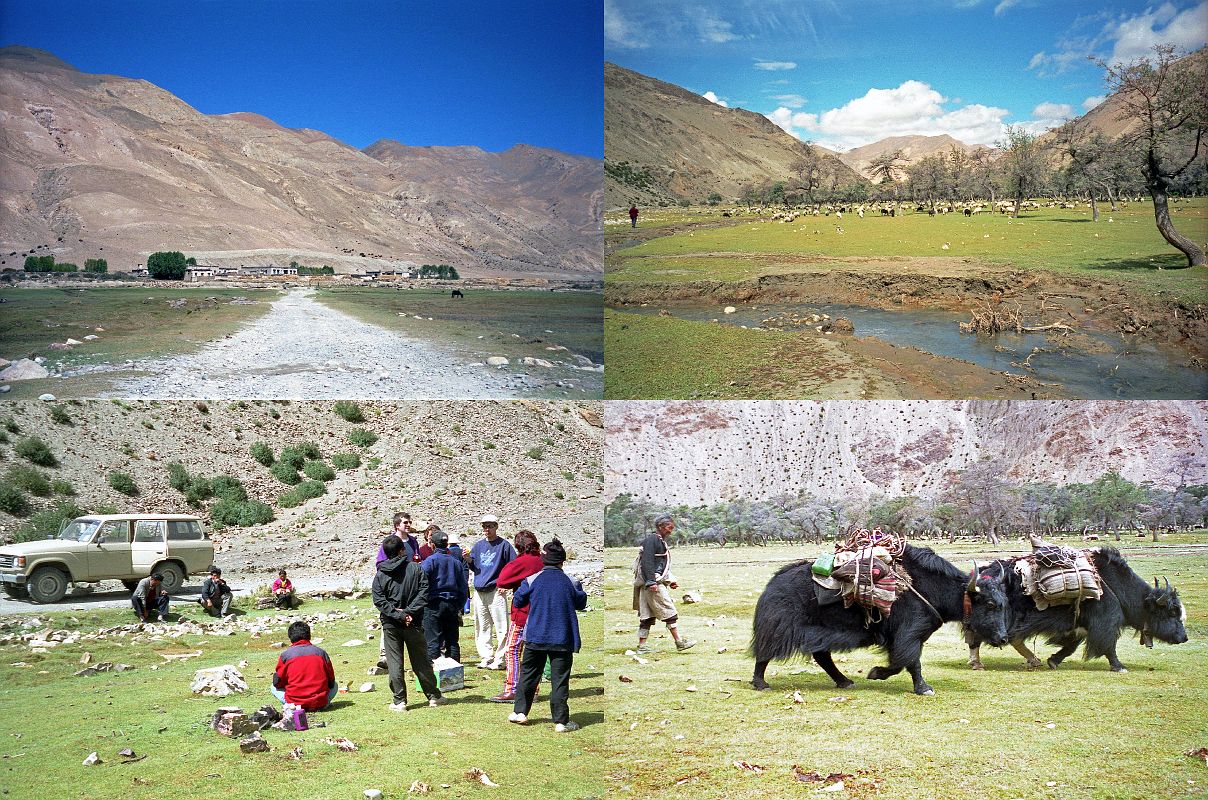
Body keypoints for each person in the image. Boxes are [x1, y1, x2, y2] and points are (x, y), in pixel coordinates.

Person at [508, 539, 587, 732]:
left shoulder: (532, 580)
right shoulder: (571, 581)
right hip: (562, 638)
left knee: (528, 675)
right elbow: (581, 603)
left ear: (543, 560)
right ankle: (561, 721)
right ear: (562, 561)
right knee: (559, 680)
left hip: (535, 636)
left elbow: (518, 601)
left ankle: (520, 712)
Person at [372, 534, 448, 711]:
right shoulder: (415, 568)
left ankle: (400, 701)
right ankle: (434, 696)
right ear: (401, 550)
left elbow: (379, 600)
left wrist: (399, 614)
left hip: (391, 624)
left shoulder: (380, 574)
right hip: (413, 622)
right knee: (421, 661)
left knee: (395, 662)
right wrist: (408, 613)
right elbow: (424, 593)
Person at [491, 530, 544, 703]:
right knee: (535, 652)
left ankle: (512, 688)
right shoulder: (543, 560)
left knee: (513, 649)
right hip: (541, 613)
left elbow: (502, 579)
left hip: (523, 613)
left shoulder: (521, 562)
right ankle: (533, 690)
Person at [633, 514, 695, 654]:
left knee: (647, 616)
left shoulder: (657, 541)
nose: (670, 531)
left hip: (650, 584)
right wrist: (651, 582)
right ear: (661, 527)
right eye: (669, 527)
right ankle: (679, 642)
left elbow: (658, 564)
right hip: (652, 585)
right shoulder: (652, 540)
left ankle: (642, 646)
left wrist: (670, 581)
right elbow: (647, 562)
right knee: (669, 611)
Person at [466, 514, 517, 669]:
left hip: (496, 591)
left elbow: (513, 566)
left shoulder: (504, 545)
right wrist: (468, 559)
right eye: (484, 526)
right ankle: (486, 657)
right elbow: (475, 567)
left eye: (490, 526)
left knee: (501, 626)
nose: (487, 529)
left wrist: (506, 584)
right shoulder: (478, 545)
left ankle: (501, 659)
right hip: (479, 591)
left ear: (496, 527)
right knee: (482, 626)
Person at [421, 529, 468, 662]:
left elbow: (422, 582)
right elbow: (463, 587)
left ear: (433, 545)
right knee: (452, 641)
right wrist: (459, 605)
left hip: (433, 605)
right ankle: (454, 678)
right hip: (452, 604)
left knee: (433, 642)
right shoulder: (456, 562)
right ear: (447, 545)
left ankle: (434, 677)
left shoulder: (430, 561)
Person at [270, 621, 337, 711]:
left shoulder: (286, 655)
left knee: (272, 687)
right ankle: (323, 704)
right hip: (320, 703)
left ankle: (291, 706)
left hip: (295, 704)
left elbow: (277, 682)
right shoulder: (321, 653)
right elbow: (331, 681)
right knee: (336, 685)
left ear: (290, 637)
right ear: (309, 635)